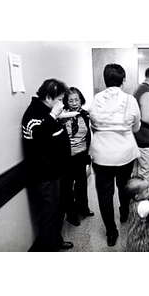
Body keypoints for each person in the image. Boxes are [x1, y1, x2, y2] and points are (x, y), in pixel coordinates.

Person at [88, 63, 141, 247]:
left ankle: (111, 232)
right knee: (124, 185)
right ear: (123, 80)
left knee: (104, 194)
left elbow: (93, 125)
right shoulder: (130, 100)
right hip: (125, 152)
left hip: (102, 155)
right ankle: (124, 210)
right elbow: (136, 126)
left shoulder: (96, 99)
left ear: (105, 80)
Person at [22, 78, 74, 251]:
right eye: (59, 99)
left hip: (58, 171)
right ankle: (48, 250)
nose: (61, 103)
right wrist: (53, 116)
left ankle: (56, 241)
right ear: (48, 97)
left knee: (58, 211)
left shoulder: (46, 110)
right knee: (49, 214)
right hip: (45, 174)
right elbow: (38, 139)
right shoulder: (33, 114)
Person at [62, 87, 94, 227]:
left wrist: (88, 155)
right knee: (68, 187)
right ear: (66, 102)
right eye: (71, 100)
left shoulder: (85, 115)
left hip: (81, 154)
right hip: (67, 157)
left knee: (82, 183)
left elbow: (87, 136)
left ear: (81, 100)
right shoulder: (62, 116)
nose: (74, 103)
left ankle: (83, 208)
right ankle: (71, 215)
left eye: (77, 100)